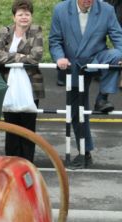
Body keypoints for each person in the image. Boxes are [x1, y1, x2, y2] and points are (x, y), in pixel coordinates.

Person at [49, 0, 122, 168]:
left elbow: (119, 38)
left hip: (96, 59)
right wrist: (59, 57)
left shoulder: (107, 10)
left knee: (117, 55)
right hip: (73, 64)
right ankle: (85, 151)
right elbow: (54, 40)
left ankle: (102, 98)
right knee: (76, 111)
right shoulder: (60, 10)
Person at [0, 0, 44, 163]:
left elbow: (36, 56)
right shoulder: (4, 32)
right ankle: (12, 163)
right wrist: (21, 57)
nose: (24, 17)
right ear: (14, 17)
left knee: (28, 128)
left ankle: (27, 163)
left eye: (27, 14)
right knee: (11, 127)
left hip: (30, 85)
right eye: (20, 14)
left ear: (31, 16)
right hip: (8, 84)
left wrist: (11, 57)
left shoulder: (36, 31)